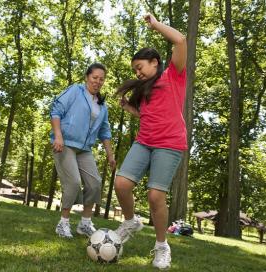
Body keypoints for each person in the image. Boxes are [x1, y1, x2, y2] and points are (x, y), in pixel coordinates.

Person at [114, 14, 187, 269]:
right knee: (122, 184)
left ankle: (161, 246)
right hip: (144, 141)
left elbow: (180, 40)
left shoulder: (173, 76)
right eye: (135, 70)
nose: (137, 72)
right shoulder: (144, 90)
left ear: (155, 62)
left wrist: (155, 25)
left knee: (155, 196)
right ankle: (131, 221)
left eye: (140, 66)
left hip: (169, 144)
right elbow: (148, 114)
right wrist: (129, 109)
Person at [50, 63, 116, 238]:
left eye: (101, 79)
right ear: (87, 77)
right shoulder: (75, 91)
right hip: (65, 144)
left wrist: (110, 154)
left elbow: (105, 131)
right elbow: (56, 110)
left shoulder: (102, 105)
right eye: (95, 78)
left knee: (95, 183)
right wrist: (58, 136)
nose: (98, 82)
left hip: (85, 149)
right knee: (72, 182)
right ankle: (63, 223)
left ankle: (85, 223)